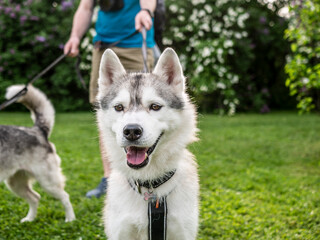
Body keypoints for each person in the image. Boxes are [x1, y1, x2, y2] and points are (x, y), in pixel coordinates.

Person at [64, 0, 156, 198]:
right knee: (107, 113)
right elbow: (86, 7)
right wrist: (74, 37)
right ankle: (110, 178)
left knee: (141, 110)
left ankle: (144, 176)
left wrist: (146, 11)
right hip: (103, 46)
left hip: (135, 43)